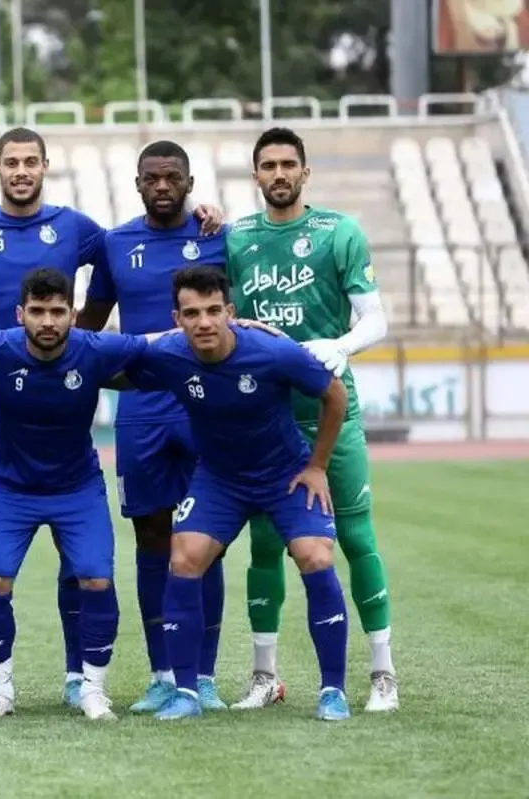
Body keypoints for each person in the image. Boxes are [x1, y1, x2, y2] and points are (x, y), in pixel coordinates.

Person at [0, 268, 171, 721]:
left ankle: (92, 689)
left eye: (58, 312)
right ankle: (0, 690)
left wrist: (233, 326)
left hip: (77, 488)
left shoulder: (95, 348)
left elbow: (157, 341)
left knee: (97, 580)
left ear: (73, 316)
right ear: (20, 314)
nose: (48, 321)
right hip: (11, 489)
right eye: (38, 311)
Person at [108, 265, 352, 722]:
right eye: (192, 313)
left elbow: (335, 394)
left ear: (230, 312)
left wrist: (317, 466)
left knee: (316, 557)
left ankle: (333, 691)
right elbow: (114, 369)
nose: (204, 322)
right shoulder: (170, 354)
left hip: (285, 475)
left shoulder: (273, 351)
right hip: (219, 478)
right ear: (177, 319)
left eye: (213, 311)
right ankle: (187, 692)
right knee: (184, 557)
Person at [225, 127, 398, 713]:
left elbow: (375, 319)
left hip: (330, 410)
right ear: (256, 175)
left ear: (305, 171)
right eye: (268, 165)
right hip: (264, 419)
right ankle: (264, 677)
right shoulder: (236, 238)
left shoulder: (338, 232)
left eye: (288, 164)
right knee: (264, 545)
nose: (279, 174)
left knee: (355, 538)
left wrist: (340, 345)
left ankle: (382, 673)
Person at [76, 140, 231, 714]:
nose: (162, 186)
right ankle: (164, 673)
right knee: (150, 537)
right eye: (152, 178)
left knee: (205, 540)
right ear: (137, 183)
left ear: (190, 183)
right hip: (140, 408)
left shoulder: (220, 238)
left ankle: (204, 676)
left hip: (204, 406)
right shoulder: (115, 244)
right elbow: (91, 324)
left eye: (172, 177)